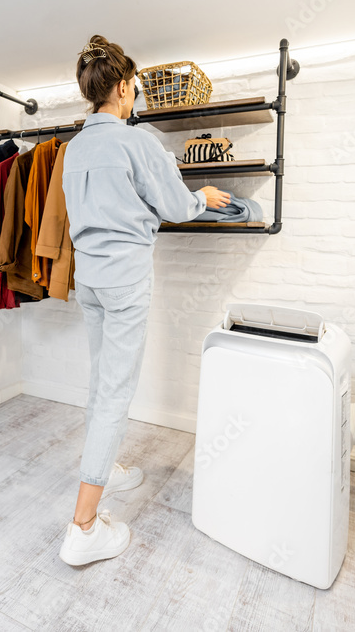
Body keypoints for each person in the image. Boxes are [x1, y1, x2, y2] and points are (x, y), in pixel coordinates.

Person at [58, 35, 231, 566]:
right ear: (125, 87)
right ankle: (83, 526)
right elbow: (177, 203)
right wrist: (206, 197)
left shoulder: (73, 148)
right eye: (133, 85)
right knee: (116, 391)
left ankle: (105, 466)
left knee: (100, 378)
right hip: (124, 277)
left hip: (87, 277)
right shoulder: (137, 142)